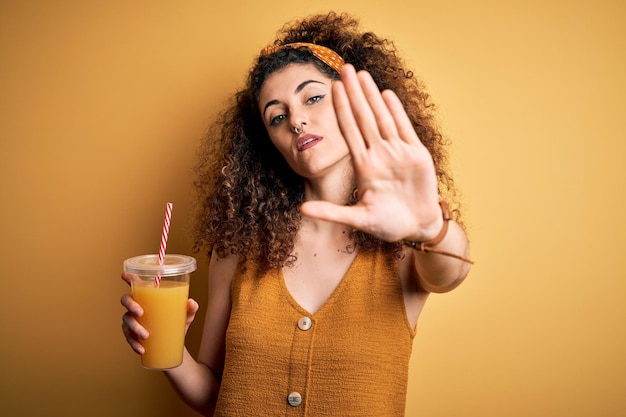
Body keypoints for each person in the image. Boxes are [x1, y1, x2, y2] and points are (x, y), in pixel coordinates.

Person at [121, 11, 472, 417]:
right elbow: (215, 395)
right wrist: (170, 355)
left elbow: (451, 273)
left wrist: (429, 226)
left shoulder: (408, 238)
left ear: (354, 100)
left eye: (314, 97)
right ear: (269, 142)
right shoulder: (239, 247)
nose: (297, 119)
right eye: (277, 115)